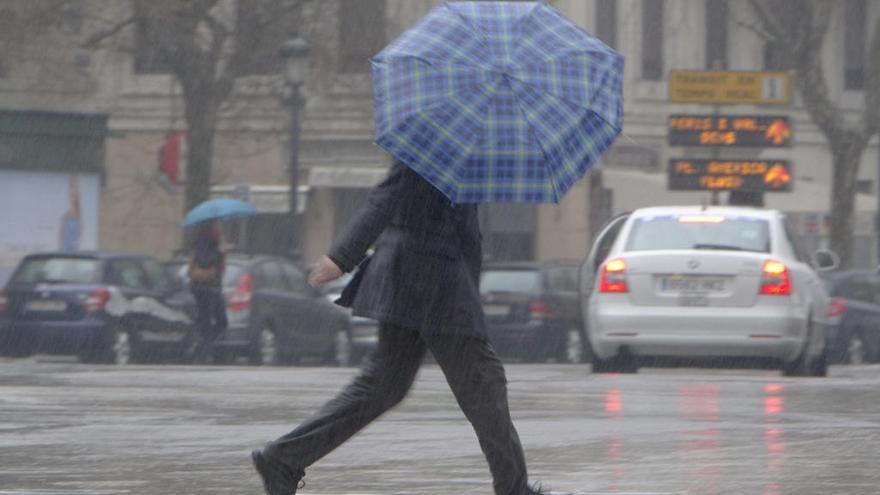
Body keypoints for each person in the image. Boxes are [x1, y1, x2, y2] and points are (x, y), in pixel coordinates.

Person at [252, 161, 558, 495]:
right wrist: (342, 256)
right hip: (431, 283)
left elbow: (462, 229)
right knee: (483, 382)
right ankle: (513, 489)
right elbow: (385, 198)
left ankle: (284, 458)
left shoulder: (459, 150)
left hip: (423, 281)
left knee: (385, 386)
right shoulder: (434, 145)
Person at [187, 219, 227, 363]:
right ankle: (201, 353)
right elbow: (205, 260)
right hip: (204, 289)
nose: (219, 230)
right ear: (210, 228)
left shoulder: (215, 243)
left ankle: (201, 348)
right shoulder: (203, 243)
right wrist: (218, 253)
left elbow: (220, 269)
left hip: (214, 289)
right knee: (206, 322)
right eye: (217, 226)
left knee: (220, 322)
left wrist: (222, 254)